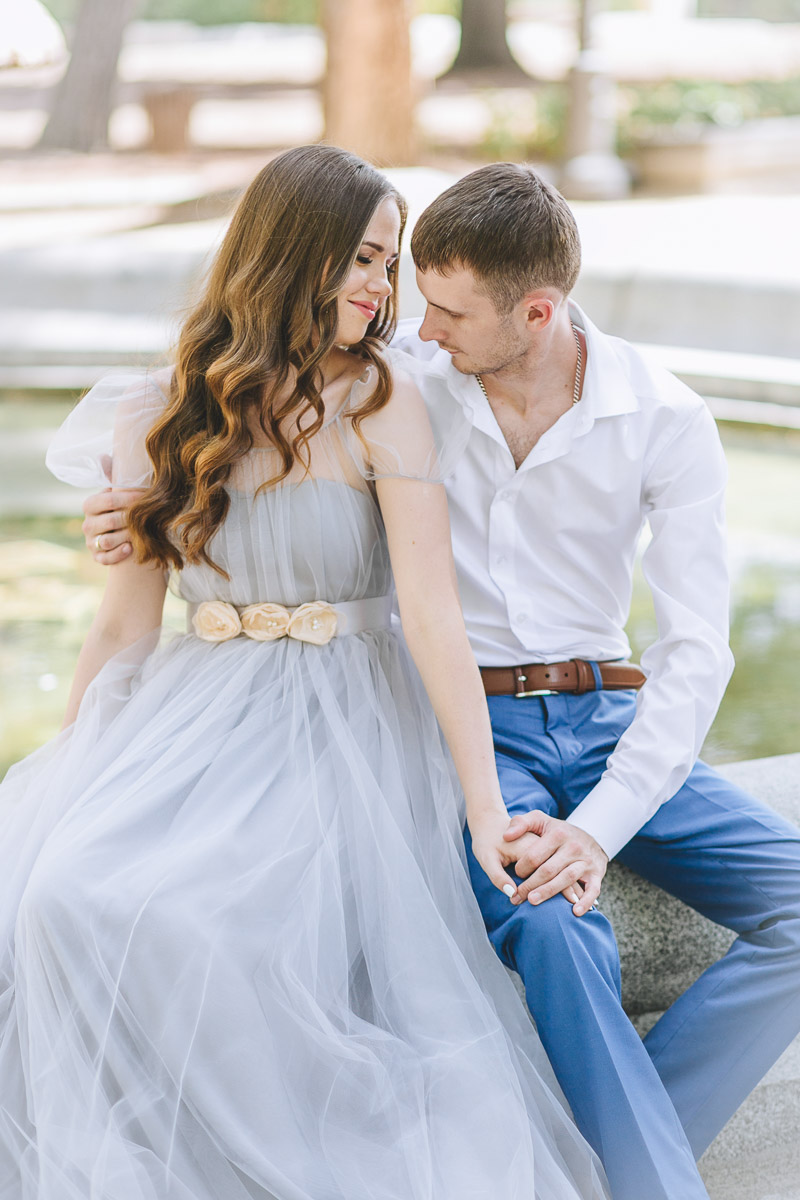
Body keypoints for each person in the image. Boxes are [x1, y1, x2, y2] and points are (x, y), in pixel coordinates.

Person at [85, 162, 800, 1200]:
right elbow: (246, 436)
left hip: (607, 713)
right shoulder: (403, 384)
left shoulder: (661, 416)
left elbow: (696, 651)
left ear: (538, 309)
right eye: (413, 291)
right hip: (475, 723)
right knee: (553, 929)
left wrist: (596, 828)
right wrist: (124, 516)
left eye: (449, 308)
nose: (416, 323)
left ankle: (603, 1165)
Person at [0, 146, 611, 1200]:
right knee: (60, 891)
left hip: (346, 717)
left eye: (387, 264)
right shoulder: (162, 410)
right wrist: (74, 766)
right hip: (200, 710)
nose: (382, 288)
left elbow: (429, 613)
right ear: (294, 253)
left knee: (219, 923)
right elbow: (121, 628)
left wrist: (478, 808)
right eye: (366, 259)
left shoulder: (382, 401)